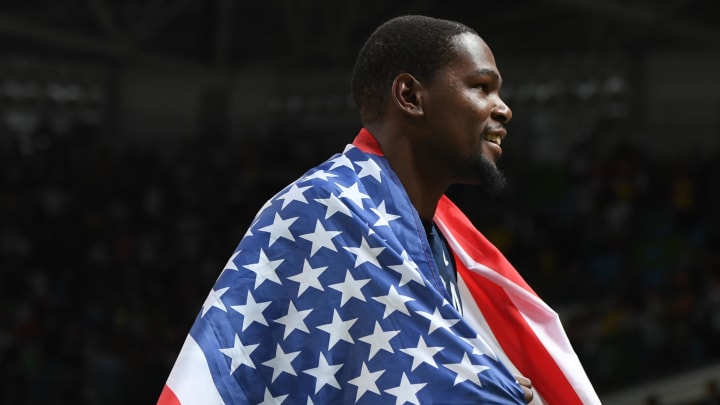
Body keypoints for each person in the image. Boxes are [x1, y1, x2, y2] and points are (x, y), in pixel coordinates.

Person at [157, 15, 600, 405]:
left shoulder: (444, 246)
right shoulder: (320, 210)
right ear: (410, 95)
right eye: (481, 87)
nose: (502, 109)